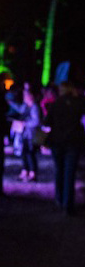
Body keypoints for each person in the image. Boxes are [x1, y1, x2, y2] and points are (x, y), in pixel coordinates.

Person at [44, 81, 85, 215]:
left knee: (59, 170)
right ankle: (68, 204)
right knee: (70, 173)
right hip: (73, 141)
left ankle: (59, 199)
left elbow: (47, 121)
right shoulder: (79, 102)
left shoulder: (56, 103)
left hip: (57, 141)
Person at [10, 83, 42, 182]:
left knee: (30, 154)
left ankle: (33, 173)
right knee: (24, 153)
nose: (24, 97)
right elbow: (20, 110)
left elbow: (36, 121)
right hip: (23, 134)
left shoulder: (34, 107)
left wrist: (24, 123)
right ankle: (25, 171)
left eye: (25, 95)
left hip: (30, 134)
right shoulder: (26, 106)